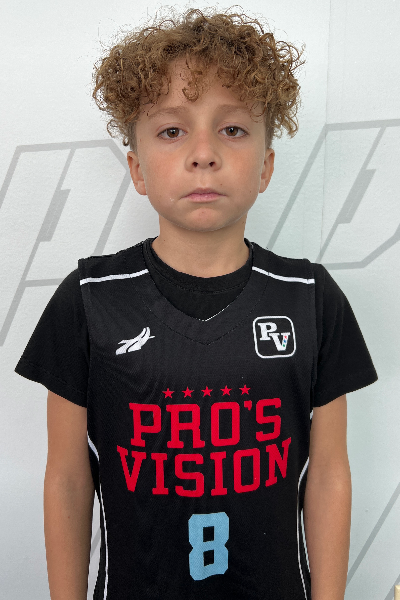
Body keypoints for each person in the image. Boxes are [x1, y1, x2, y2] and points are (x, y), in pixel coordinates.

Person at [14, 8, 378, 600]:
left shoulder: (311, 299)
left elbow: (330, 472)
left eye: (232, 129)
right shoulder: (89, 299)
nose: (203, 153)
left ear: (266, 166)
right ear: (137, 169)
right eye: (172, 131)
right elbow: (67, 478)